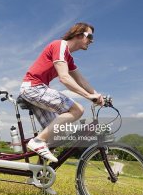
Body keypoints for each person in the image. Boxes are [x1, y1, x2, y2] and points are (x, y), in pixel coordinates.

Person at [20, 22, 104, 163]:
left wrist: (98, 95)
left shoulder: (68, 57)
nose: (91, 41)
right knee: (77, 110)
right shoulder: (60, 46)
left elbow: (81, 80)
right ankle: (38, 140)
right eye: (89, 36)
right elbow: (64, 78)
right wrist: (88, 96)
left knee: (55, 135)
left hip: (37, 89)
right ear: (78, 34)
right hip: (33, 88)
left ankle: (39, 177)